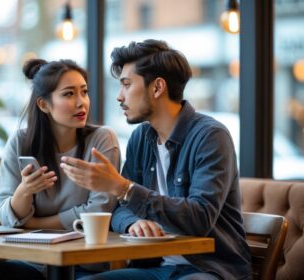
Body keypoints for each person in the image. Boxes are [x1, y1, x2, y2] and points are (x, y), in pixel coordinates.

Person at [60, 39, 252, 280]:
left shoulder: (211, 136)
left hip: (210, 269)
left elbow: (200, 218)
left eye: (127, 85)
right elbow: (119, 210)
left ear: (157, 87)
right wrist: (131, 223)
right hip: (154, 266)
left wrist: (123, 188)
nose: (120, 96)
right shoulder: (141, 138)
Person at [0, 58, 120, 280]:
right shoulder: (20, 141)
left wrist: (34, 224)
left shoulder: (102, 139)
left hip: (83, 266)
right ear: (44, 105)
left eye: (84, 92)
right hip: (32, 263)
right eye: (69, 94)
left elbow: (98, 210)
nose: (82, 103)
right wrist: (25, 191)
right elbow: (8, 219)